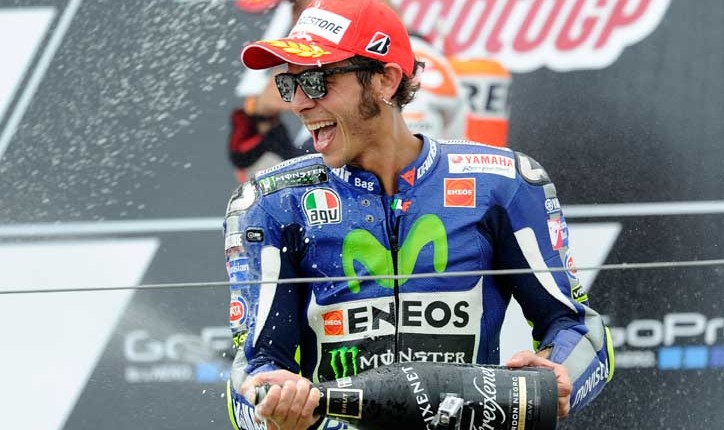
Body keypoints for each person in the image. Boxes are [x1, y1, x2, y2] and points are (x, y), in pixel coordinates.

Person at [223, 0, 614, 429]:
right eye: (289, 84)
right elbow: (252, 371)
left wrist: (561, 373)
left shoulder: (503, 183)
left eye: (317, 82)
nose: (299, 103)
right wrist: (272, 407)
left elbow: (578, 330)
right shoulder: (272, 202)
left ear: (386, 80)